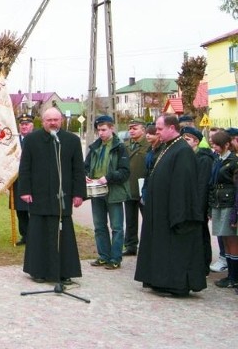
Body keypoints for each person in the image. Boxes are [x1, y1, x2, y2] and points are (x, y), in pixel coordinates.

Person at [134, 114, 206, 296]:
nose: (156, 133)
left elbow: (183, 185)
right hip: (160, 210)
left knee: (175, 250)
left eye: (159, 129)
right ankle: (159, 280)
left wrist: (178, 213)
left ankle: (176, 284)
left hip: (173, 211)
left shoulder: (182, 151)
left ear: (171, 128)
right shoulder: (168, 148)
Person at [18, 107, 86, 284]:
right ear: (43, 121)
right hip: (39, 195)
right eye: (49, 120)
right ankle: (38, 270)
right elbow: (25, 167)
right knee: (39, 232)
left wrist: (79, 193)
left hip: (62, 197)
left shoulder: (71, 140)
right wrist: (24, 190)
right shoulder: (32, 140)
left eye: (56, 119)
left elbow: (78, 169)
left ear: (61, 120)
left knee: (63, 235)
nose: (53, 123)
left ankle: (64, 271)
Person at [85, 115, 130, 270]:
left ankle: (115, 258)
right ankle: (103, 256)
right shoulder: (95, 146)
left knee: (116, 227)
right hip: (96, 191)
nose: (101, 133)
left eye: (104, 130)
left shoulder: (120, 147)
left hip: (114, 191)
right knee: (99, 225)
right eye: (99, 130)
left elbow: (125, 172)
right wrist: (86, 177)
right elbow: (85, 166)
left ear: (112, 128)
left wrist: (108, 177)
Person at [181, 126, 214, 273]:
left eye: (187, 139)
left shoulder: (204, 159)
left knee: (201, 234)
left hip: (199, 204)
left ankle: (204, 264)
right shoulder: (186, 156)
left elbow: (202, 185)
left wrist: (199, 208)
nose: (184, 142)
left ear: (196, 142)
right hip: (189, 203)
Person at [208, 130, 238, 288]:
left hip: (228, 203)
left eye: (217, 145)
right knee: (224, 238)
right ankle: (230, 275)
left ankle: (234, 276)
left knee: (232, 239)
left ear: (227, 144)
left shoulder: (233, 161)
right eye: (213, 144)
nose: (215, 147)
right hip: (219, 202)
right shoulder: (217, 159)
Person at [123, 119, 149, 256]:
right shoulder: (126, 145)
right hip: (129, 187)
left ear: (143, 130)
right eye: (130, 128)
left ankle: (148, 245)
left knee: (148, 218)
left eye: (135, 128)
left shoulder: (149, 145)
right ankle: (131, 245)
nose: (131, 130)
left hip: (144, 187)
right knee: (130, 219)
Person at [12, 114, 34, 246]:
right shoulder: (13, 141)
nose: (24, 126)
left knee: (33, 210)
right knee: (20, 210)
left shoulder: (36, 139)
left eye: (27, 124)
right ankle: (24, 235)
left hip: (33, 180)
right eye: (22, 124)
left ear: (32, 125)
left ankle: (34, 235)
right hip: (17, 180)